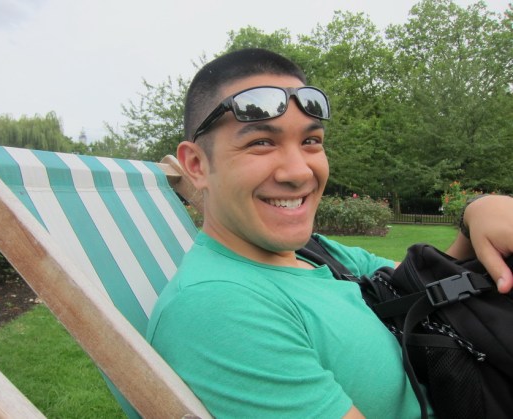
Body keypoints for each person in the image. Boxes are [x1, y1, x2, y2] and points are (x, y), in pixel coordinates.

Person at [146, 48, 513, 418]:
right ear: (197, 165)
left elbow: (427, 289)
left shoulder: (314, 254)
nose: (299, 172)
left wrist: (474, 216)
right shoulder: (218, 309)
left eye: (310, 141)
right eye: (261, 142)